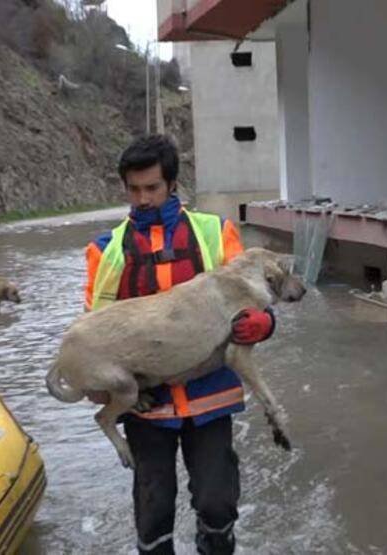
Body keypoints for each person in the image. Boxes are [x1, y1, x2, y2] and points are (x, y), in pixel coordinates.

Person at [84, 135, 276, 554]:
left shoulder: (215, 232)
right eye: (134, 189)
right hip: (147, 405)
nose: (143, 198)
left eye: (152, 187)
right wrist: (98, 384)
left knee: (218, 503)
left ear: (171, 184)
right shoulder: (106, 250)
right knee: (153, 512)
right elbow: (94, 330)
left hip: (211, 398)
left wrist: (264, 323)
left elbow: (253, 297)